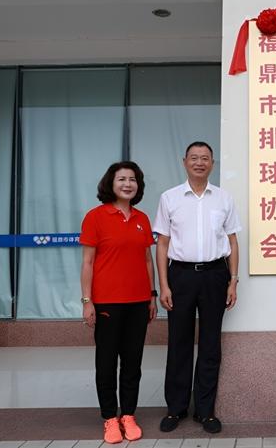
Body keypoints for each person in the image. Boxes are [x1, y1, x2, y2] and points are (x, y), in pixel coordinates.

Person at [154, 141, 241, 434]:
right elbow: (162, 244)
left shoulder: (224, 198)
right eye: (194, 158)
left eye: (205, 158)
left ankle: (205, 410)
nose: (199, 162)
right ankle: (176, 408)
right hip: (180, 275)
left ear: (212, 164)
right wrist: (163, 285)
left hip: (215, 275)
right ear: (184, 162)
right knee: (178, 342)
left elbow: (232, 242)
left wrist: (233, 280)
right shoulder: (169, 198)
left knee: (210, 344)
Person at [80, 161, 157, 444]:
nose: (127, 184)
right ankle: (110, 418)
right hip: (107, 303)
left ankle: (128, 415)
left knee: (133, 363)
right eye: (122, 179)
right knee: (106, 362)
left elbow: (147, 260)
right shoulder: (95, 217)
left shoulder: (142, 218)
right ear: (110, 184)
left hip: (138, 302)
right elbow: (88, 262)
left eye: (132, 179)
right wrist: (87, 301)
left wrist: (152, 295)